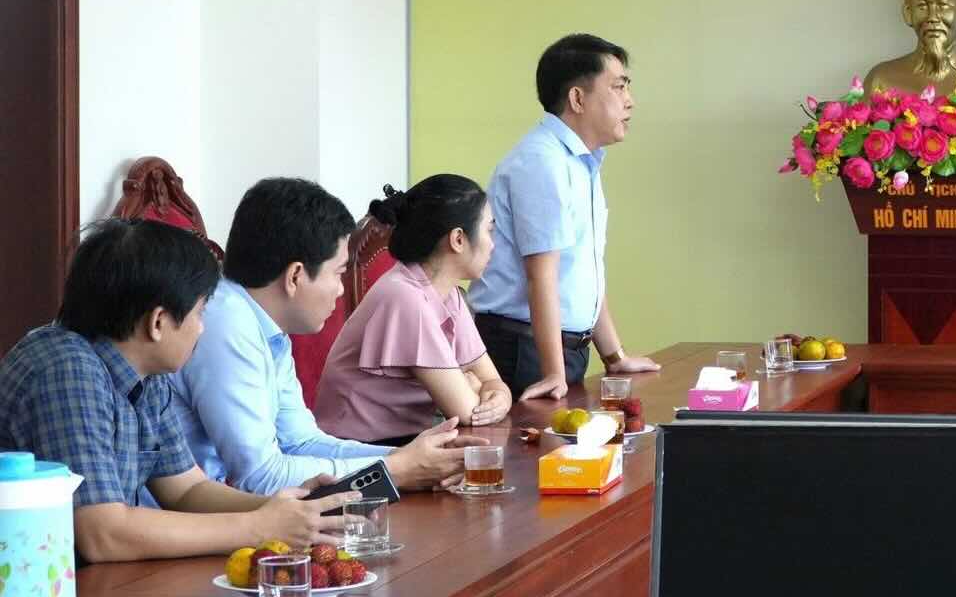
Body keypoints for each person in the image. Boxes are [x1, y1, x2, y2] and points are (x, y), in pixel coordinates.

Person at [0, 220, 360, 562]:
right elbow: (102, 533)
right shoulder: (66, 368)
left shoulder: (147, 372)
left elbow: (186, 490)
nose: (203, 329)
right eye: (200, 313)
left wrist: (287, 509)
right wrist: (255, 528)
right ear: (158, 323)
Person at [173, 178, 483, 494]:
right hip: (188, 527)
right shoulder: (227, 322)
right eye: (338, 273)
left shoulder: (267, 327)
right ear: (295, 276)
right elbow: (261, 476)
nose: (341, 290)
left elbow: (302, 442)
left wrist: (406, 459)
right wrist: (394, 469)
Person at [470, 33, 660, 401]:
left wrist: (614, 356)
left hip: (558, 349)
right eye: (619, 88)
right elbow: (541, 273)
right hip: (523, 350)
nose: (630, 102)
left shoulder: (581, 161)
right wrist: (553, 371)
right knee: (536, 458)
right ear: (577, 98)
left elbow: (584, 270)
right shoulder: (543, 162)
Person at [316, 176, 512, 444]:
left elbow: (491, 380)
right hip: (361, 455)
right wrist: (475, 386)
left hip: (407, 443)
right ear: (457, 239)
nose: (493, 243)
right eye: (489, 230)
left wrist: (497, 394)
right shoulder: (404, 296)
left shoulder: (449, 293)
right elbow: (466, 411)